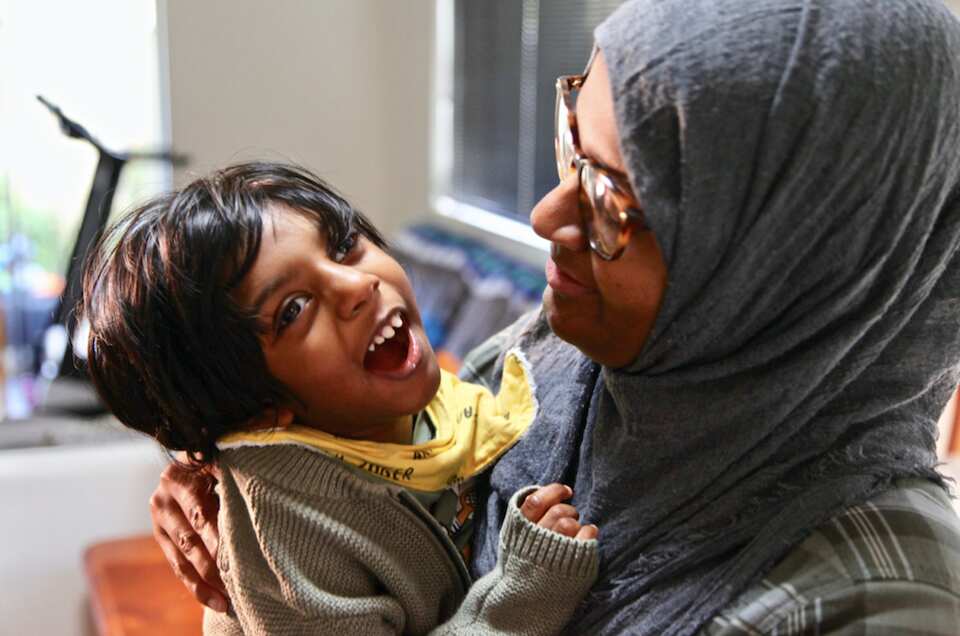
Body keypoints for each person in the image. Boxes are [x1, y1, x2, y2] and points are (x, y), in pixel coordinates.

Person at [148, 0, 960, 633]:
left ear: (785, 261)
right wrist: (236, 459)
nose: (545, 214)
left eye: (613, 196)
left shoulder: (876, 602)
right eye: (575, 139)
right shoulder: (570, 352)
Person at [80, 161, 599, 635]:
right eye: (294, 309)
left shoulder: (416, 402)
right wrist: (520, 592)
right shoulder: (288, 533)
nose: (356, 286)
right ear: (260, 416)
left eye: (343, 245)